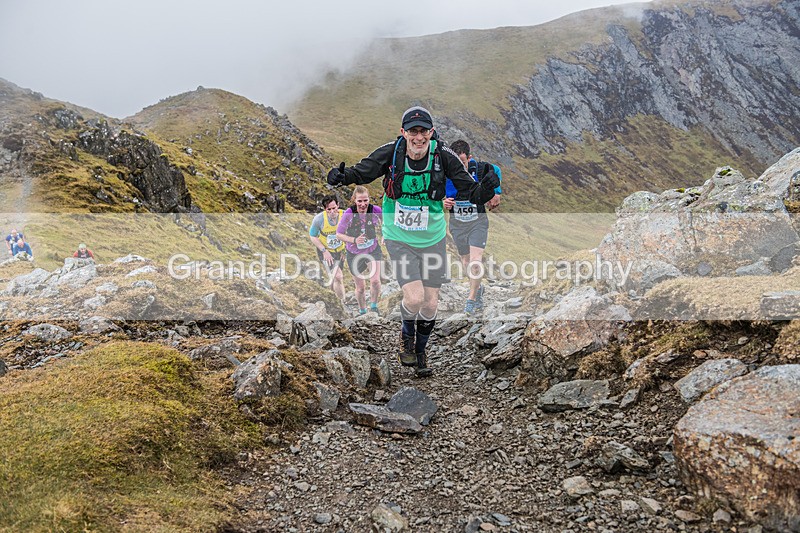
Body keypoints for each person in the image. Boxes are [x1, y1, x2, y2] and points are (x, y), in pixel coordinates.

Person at [327, 106, 500, 377]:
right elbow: (364, 172)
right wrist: (341, 177)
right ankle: (406, 338)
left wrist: (487, 188)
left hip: (432, 238)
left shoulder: (443, 156)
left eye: (423, 131)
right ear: (403, 132)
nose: (418, 137)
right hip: (399, 237)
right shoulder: (392, 153)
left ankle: (420, 352)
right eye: (412, 131)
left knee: (431, 303)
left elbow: (471, 190)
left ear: (431, 133)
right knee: (416, 297)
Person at [444, 139, 503, 314]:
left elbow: (496, 170)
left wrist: (497, 192)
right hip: (457, 224)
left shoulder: (479, 169)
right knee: (466, 262)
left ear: (469, 158)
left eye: (462, 162)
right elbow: (436, 193)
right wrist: (443, 202)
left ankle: (471, 298)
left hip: (477, 221)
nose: (459, 166)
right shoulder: (445, 173)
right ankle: (477, 290)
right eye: (456, 162)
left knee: (475, 261)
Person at [336, 186, 383, 316]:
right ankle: (362, 311)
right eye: (359, 201)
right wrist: (354, 240)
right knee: (361, 288)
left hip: (372, 250)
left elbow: (387, 221)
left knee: (375, 281)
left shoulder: (375, 210)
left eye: (365, 200)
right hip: (354, 253)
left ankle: (373, 307)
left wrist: (385, 234)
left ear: (369, 199)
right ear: (354, 200)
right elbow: (339, 234)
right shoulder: (348, 214)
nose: (363, 204)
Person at [308, 194, 346, 306]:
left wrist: (346, 250)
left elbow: (352, 231)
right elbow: (313, 236)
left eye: (334, 208)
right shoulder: (319, 219)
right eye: (329, 209)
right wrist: (324, 251)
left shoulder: (345, 215)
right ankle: (342, 304)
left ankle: (331, 297)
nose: (332, 211)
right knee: (338, 276)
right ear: (325, 209)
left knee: (334, 277)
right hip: (326, 251)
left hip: (340, 250)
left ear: (338, 205)